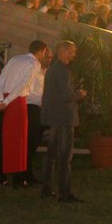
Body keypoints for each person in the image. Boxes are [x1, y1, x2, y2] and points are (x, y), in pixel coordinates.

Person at [0, 40, 49, 188]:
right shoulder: (34, 64)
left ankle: (1, 176)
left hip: (5, 98)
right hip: (17, 102)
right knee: (20, 141)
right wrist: (8, 101)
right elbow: (23, 85)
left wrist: (0, 99)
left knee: (2, 139)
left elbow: (1, 80)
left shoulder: (14, 59)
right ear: (41, 51)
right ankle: (19, 178)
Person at [40, 40, 85, 203]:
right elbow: (66, 95)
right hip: (64, 117)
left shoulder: (53, 69)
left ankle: (46, 189)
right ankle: (64, 193)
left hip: (54, 116)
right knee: (65, 156)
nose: (74, 54)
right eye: (72, 51)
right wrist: (79, 94)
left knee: (51, 154)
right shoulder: (63, 71)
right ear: (64, 52)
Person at [23, 45, 55, 184]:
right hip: (31, 107)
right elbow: (29, 91)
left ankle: (27, 172)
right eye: (47, 57)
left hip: (42, 109)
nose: (49, 60)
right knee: (29, 143)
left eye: (51, 58)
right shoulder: (33, 70)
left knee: (34, 142)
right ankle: (24, 173)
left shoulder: (47, 72)